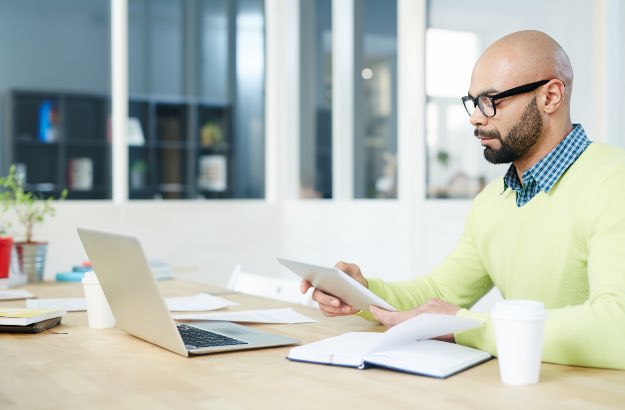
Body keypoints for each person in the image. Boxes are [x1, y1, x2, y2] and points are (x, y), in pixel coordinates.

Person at [300, 30, 625, 370]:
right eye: (473, 102)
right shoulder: (492, 201)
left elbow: (618, 326)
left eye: (491, 101)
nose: (475, 117)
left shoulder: (614, 182)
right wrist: (359, 293)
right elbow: (438, 291)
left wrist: (465, 325)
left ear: (551, 97)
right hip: (527, 387)